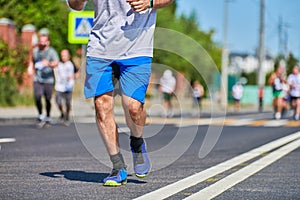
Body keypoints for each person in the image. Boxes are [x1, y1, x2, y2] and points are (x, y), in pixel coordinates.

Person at [67, 0, 173, 186]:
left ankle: (137, 143)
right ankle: (117, 166)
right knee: (101, 105)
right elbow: (75, 5)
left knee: (133, 107)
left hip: (137, 49)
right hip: (100, 48)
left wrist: (150, 2)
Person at [27, 30, 59, 127]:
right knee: (37, 96)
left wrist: (48, 63)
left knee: (48, 98)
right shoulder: (36, 51)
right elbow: (32, 60)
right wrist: (30, 68)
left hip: (48, 79)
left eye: (44, 41)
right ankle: (41, 115)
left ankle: (48, 116)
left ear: (47, 42)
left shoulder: (51, 52)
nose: (42, 43)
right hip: (38, 78)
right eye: (40, 41)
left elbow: (56, 63)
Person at [54, 49, 75, 126]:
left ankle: (67, 116)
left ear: (68, 56)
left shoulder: (71, 64)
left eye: (65, 55)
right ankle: (62, 113)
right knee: (58, 101)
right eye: (62, 55)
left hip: (68, 86)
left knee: (67, 103)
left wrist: (72, 76)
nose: (63, 57)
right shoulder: (58, 64)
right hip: (59, 86)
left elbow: (77, 74)